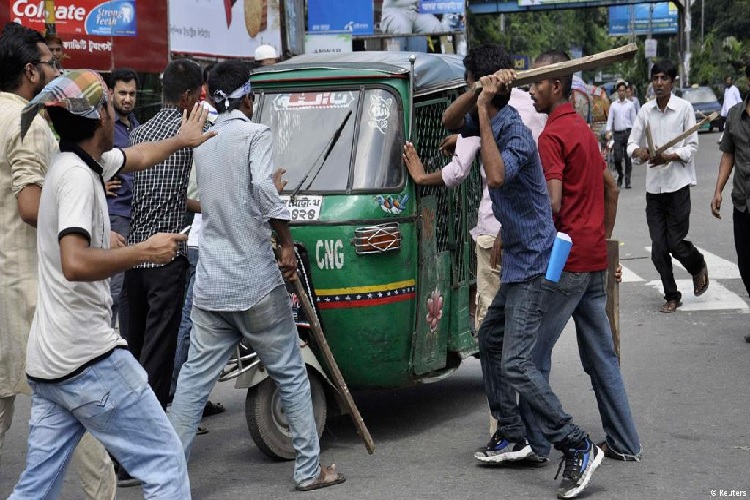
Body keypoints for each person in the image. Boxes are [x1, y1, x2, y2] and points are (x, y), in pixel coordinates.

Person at [8, 68, 214, 499]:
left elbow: (135, 157)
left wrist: (180, 140)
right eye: (106, 102)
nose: (114, 109)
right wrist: (146, 250)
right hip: (87, 357)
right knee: (165, 460)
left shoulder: (79, 162)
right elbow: (76, 262)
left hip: (51, 362)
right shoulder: (79, 179)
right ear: (99, 116)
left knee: (37, 486)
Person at [168, 60, 346, 491]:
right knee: (289, 372)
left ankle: (166, 476)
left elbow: (209, 198)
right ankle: (308, 470)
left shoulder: (204, 140)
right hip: (254, 282)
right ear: (249, 97)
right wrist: (285, 243)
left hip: (212, 283)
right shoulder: (255, 134)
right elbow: (264, 193)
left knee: (192, 382)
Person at [443, 44, 602, 499]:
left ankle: (576, 444)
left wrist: (486, 107)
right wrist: (475, 94)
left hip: (535, 261)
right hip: (516, 257)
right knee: (489, 340)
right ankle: (513, 432)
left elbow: (494, 177)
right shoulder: (486, 115)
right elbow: (450, 122)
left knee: (516, 360)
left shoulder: (511, 130)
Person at [0, 23, 116, 499]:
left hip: (10, 284)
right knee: (84, 401)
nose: (57, 70)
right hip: (29, 286)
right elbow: (30, 205)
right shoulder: (26, 122)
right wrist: (75, 213)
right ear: (31, 71)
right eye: (51, 63)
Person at [518, 50, 642, 464]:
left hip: (564, 261)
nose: (531, 89)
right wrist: (599, 238)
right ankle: (625, 442)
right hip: (592, 259)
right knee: (601, 356)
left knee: (529, 354)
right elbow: (611, 189)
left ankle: (536, 444)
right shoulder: (585, 132)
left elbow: (551, 206)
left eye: (537, 82)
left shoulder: (551, 136)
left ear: (556, 86)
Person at [627, 60, 708, 313]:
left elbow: (692, 147)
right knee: (658, 250)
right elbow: (631, 144)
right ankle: (672, 294)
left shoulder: (684, 109)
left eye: (664, 78)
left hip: (678, 187)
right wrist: (639, 151)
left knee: (674, 243)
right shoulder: (645, 111)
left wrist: (669, 156)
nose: (659, 83)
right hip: (654, 191)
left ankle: (696, 264)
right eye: (655, 78)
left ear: (672, 82)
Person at [711, 64, 750, 343]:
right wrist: (718, 190)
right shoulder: (735, 115)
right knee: (746, 265)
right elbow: (728, 155)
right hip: (742, 203)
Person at [105, 68, 139, 330]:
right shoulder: (103, 127)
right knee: (113, 290)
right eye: (122, 93)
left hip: (136, 214)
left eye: (132, 94)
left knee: (129, 290)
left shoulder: (137, 127)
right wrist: (98, 185)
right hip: (115, 214)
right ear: (110, 93)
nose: (127, 99)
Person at [606, 81, 637, 189]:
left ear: (626, 91)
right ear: (617, 92)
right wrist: (608, 132)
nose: (622, 92)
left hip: (628, 133)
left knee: (628, 157)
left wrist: (635, 135)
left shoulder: (630, 105)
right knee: (617, 158)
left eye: (623, 90)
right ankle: (620, 175)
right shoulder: (613, 105)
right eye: (620, 91)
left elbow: (634, 121)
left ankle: (627, 180)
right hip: (618, 134)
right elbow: (610, 120)